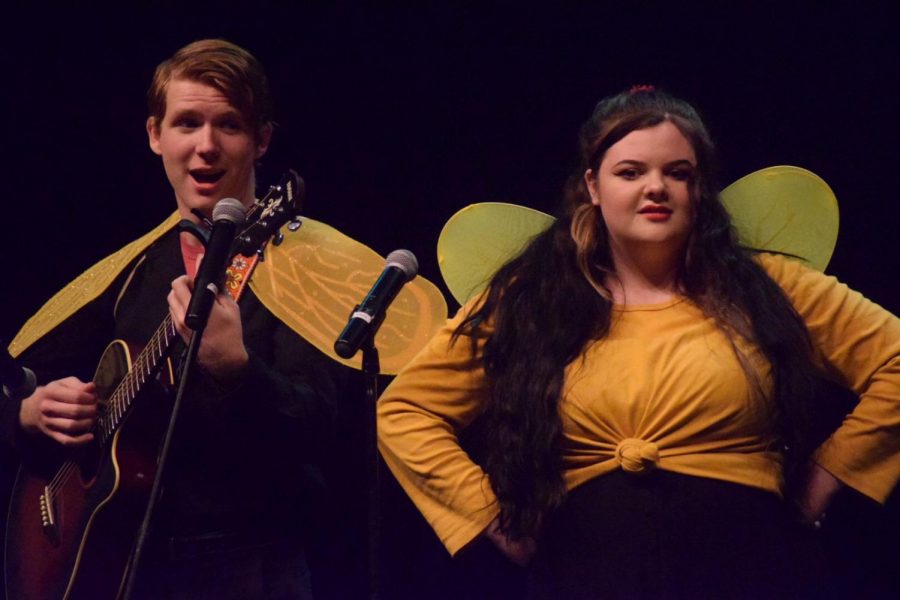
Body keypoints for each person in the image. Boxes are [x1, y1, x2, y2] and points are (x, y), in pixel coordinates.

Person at [377, 87, 900, 598]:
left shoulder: (769, 287)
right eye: (631, 172)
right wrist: (490, 517)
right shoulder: (531, 299)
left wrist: (829, 476)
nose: (657, 188)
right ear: (593, 186)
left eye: (678, 173)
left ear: (700, 189)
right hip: (586, 569)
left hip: (751, 564)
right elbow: (405, 410)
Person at [4, 39, 346, 599]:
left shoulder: (310, 266)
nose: (205, 147)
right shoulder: (130, 271)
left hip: (255, 569)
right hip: (127, 568)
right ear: (154, 135)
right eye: (186, 123)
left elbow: (324, 429)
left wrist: (239, 371)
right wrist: (25, 415)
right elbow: (13, 380)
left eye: (228, 126)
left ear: (261, 141)